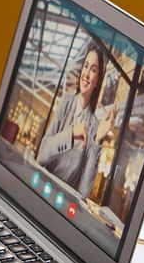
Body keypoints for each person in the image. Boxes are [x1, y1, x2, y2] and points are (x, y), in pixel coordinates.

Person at [38, 42, 110, 194]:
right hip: (43, 188)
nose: (87, 73)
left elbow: (84, 191)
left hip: (64, 201)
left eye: (93, 70)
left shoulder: (95, 127)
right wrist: (71, 133)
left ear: (97, 80)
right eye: (85, 66)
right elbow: (42, 155)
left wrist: (97, 142)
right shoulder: (66, 102)